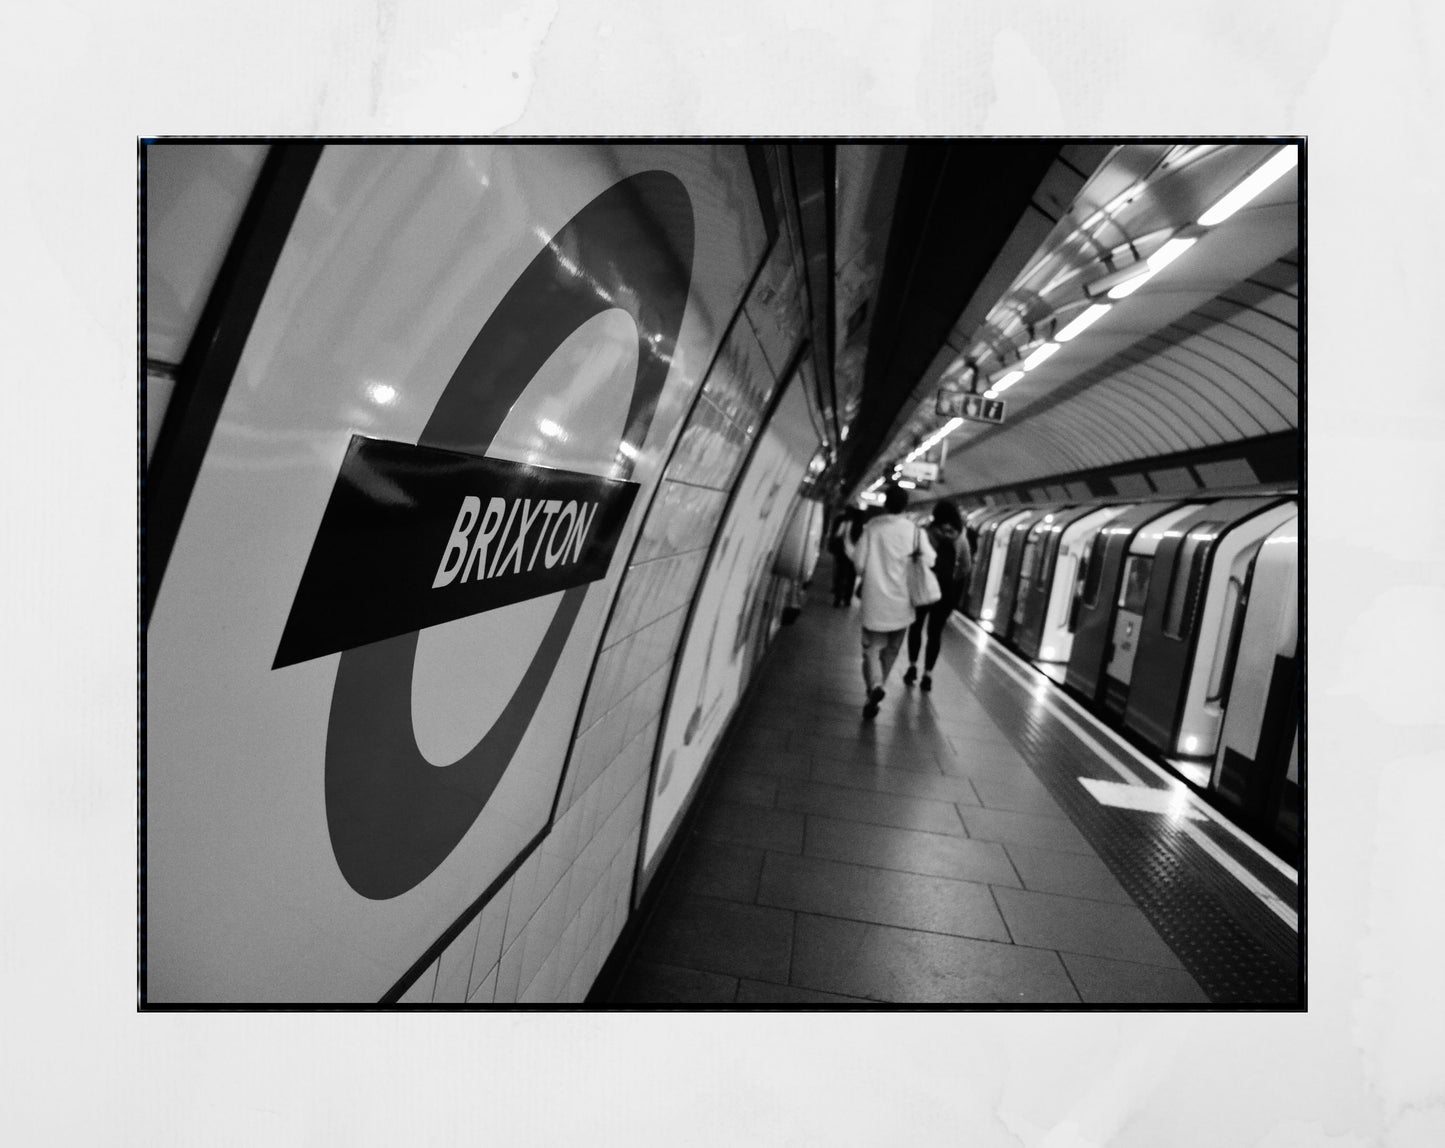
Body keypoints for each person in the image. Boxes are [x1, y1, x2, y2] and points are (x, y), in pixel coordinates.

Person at [852, 486, 933, 719]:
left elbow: (858, 563)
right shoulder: (916, 532)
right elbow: (930, 560)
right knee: (890, 652)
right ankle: (875, 692)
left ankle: (875, 687)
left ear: (886, 504)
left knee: (871, 650)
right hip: (903, 603)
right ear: (905, 507)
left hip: (874, 601)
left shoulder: (872, 528)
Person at [902, 500, 973, 692]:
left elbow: (914, 558)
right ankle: (928, 675)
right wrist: (950, 578)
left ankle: (912, 667)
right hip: (945, 591)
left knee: (916, 627)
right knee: (935, 633)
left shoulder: (926, 532)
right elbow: (966, 567)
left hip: (924, 586)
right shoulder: (960, 538)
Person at [827, 510, 858, 607]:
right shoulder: (860, 521)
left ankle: (838, 598)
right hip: (854, 553)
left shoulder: (841, 519)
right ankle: (847, 599)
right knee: (851, 577)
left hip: (843, 551)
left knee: (841, 574)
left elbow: (836, 534)